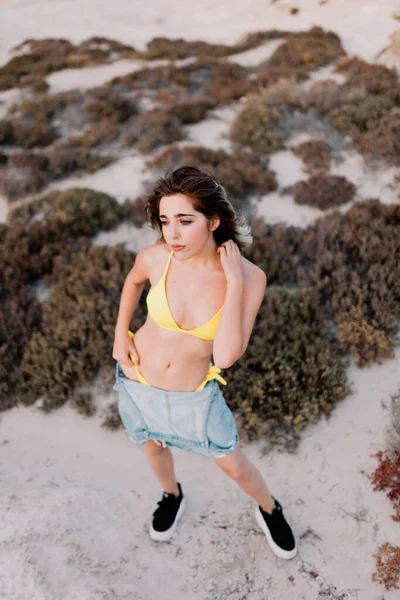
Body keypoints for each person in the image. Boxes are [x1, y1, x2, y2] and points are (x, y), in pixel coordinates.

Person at [112, 166, 297, 560]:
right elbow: (131, 282)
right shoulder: (156, 257)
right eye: (164, 221)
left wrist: (234, 282)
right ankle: (171, 494)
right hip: (137, 381)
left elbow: (227, 356)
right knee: (153, 449)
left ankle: (270, 509)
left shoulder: (250, 277)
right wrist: (118, 337)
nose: (172, 234)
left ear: (213, 220)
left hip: (193, 399)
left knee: (234, 466)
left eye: (184, 220)